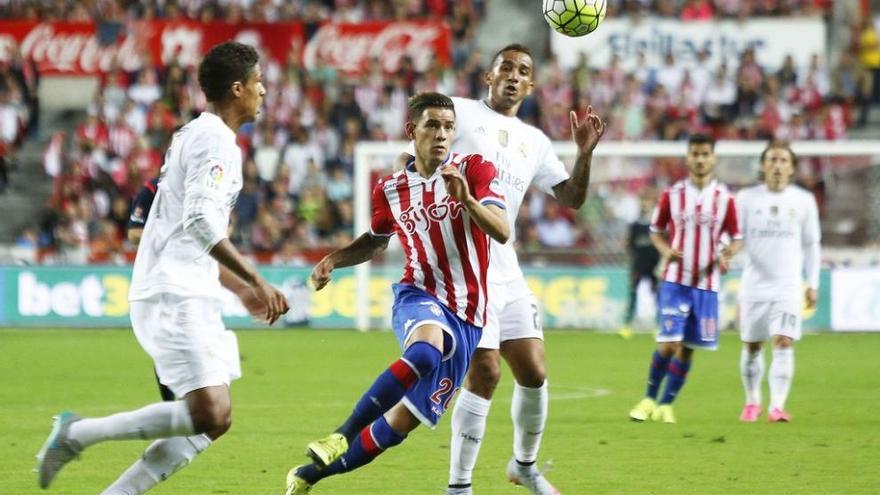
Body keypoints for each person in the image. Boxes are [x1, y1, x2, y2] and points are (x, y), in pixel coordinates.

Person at [35, 41, 289, 493]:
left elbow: (181, 227)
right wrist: (255, 278)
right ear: (237, 89)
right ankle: (77, 434)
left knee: (214, 420)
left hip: (190, 288)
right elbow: (196, 221)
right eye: (258, 83)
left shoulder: (197, 134)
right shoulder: (215, 142)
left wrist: (234, 286)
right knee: (208, 412)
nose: (264, 91)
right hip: (174, 294)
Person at [396, 44, 601, 495]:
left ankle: (523, 467)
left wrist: (583, 154)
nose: (512, 75)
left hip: (506, 266)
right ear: (488, 76)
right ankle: (459, 485)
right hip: (466, 267)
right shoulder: (461, 114)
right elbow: (414, 155)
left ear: (530, 86)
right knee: (485, 370)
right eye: (504, 67)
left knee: (534, 369)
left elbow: (571, 198)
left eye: (522, 71)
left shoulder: (536, 141)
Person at [284, 92, 510, 495]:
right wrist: (333, 260)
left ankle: (308, 477)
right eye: (432, 126)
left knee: (398, 425)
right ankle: (341, 434)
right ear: (412, 131)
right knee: (424, 351)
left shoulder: (474, 169)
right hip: (418, 294)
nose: (442, 134)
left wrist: (468, 201)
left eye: (448, 127)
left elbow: (502, 230)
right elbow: (376, 240)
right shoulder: (390, 189)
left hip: (469, 316)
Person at [628, 134, 741, 424]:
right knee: (669, 342)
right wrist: (667, 251)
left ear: (713, 158)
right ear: (688, 158)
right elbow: (655, 230)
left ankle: (667, 404)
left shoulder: (726, 199)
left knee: (689, 347)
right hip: (674, 281)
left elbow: (736, 238)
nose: (700, 159)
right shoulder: (672, 195)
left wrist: (728, 254)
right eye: (695, 154)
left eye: (705, 154)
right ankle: (648, 399)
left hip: (707, 285)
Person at [735, 141, 820, 423]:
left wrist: (813, 282)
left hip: (787, 287)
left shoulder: (804, 200)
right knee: (752, 345)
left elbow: (812, 245)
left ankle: (777, 406)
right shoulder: (746, 198)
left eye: (783, 160)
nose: (777, 165)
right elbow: (735, 238)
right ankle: (752, 401)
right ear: (763, 165)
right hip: (754, 286)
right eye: (772, 160)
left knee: (784, 341)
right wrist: (725, 253)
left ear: (792, 168)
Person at [126, 176, 176, 402]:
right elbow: (134, 233)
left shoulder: (202, 184)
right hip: (160, 275)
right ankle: (170, 404)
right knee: (165, 342)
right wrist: (169, 235)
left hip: (195, 274)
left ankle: (192, 405)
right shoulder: (152, 188)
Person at [619, 194, 662, 339]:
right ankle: (627, 325)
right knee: (633, 294)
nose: (645, 205)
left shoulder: (657, 226)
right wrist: (631, 260)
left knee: (657, 295)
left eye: (647, 202)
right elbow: (629, 245)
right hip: (638, 264)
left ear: (652, 204)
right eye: (643, 202)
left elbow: (662, 245)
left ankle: (659, 325)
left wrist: (661, 263)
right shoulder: (635, 225)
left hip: (654, 264)